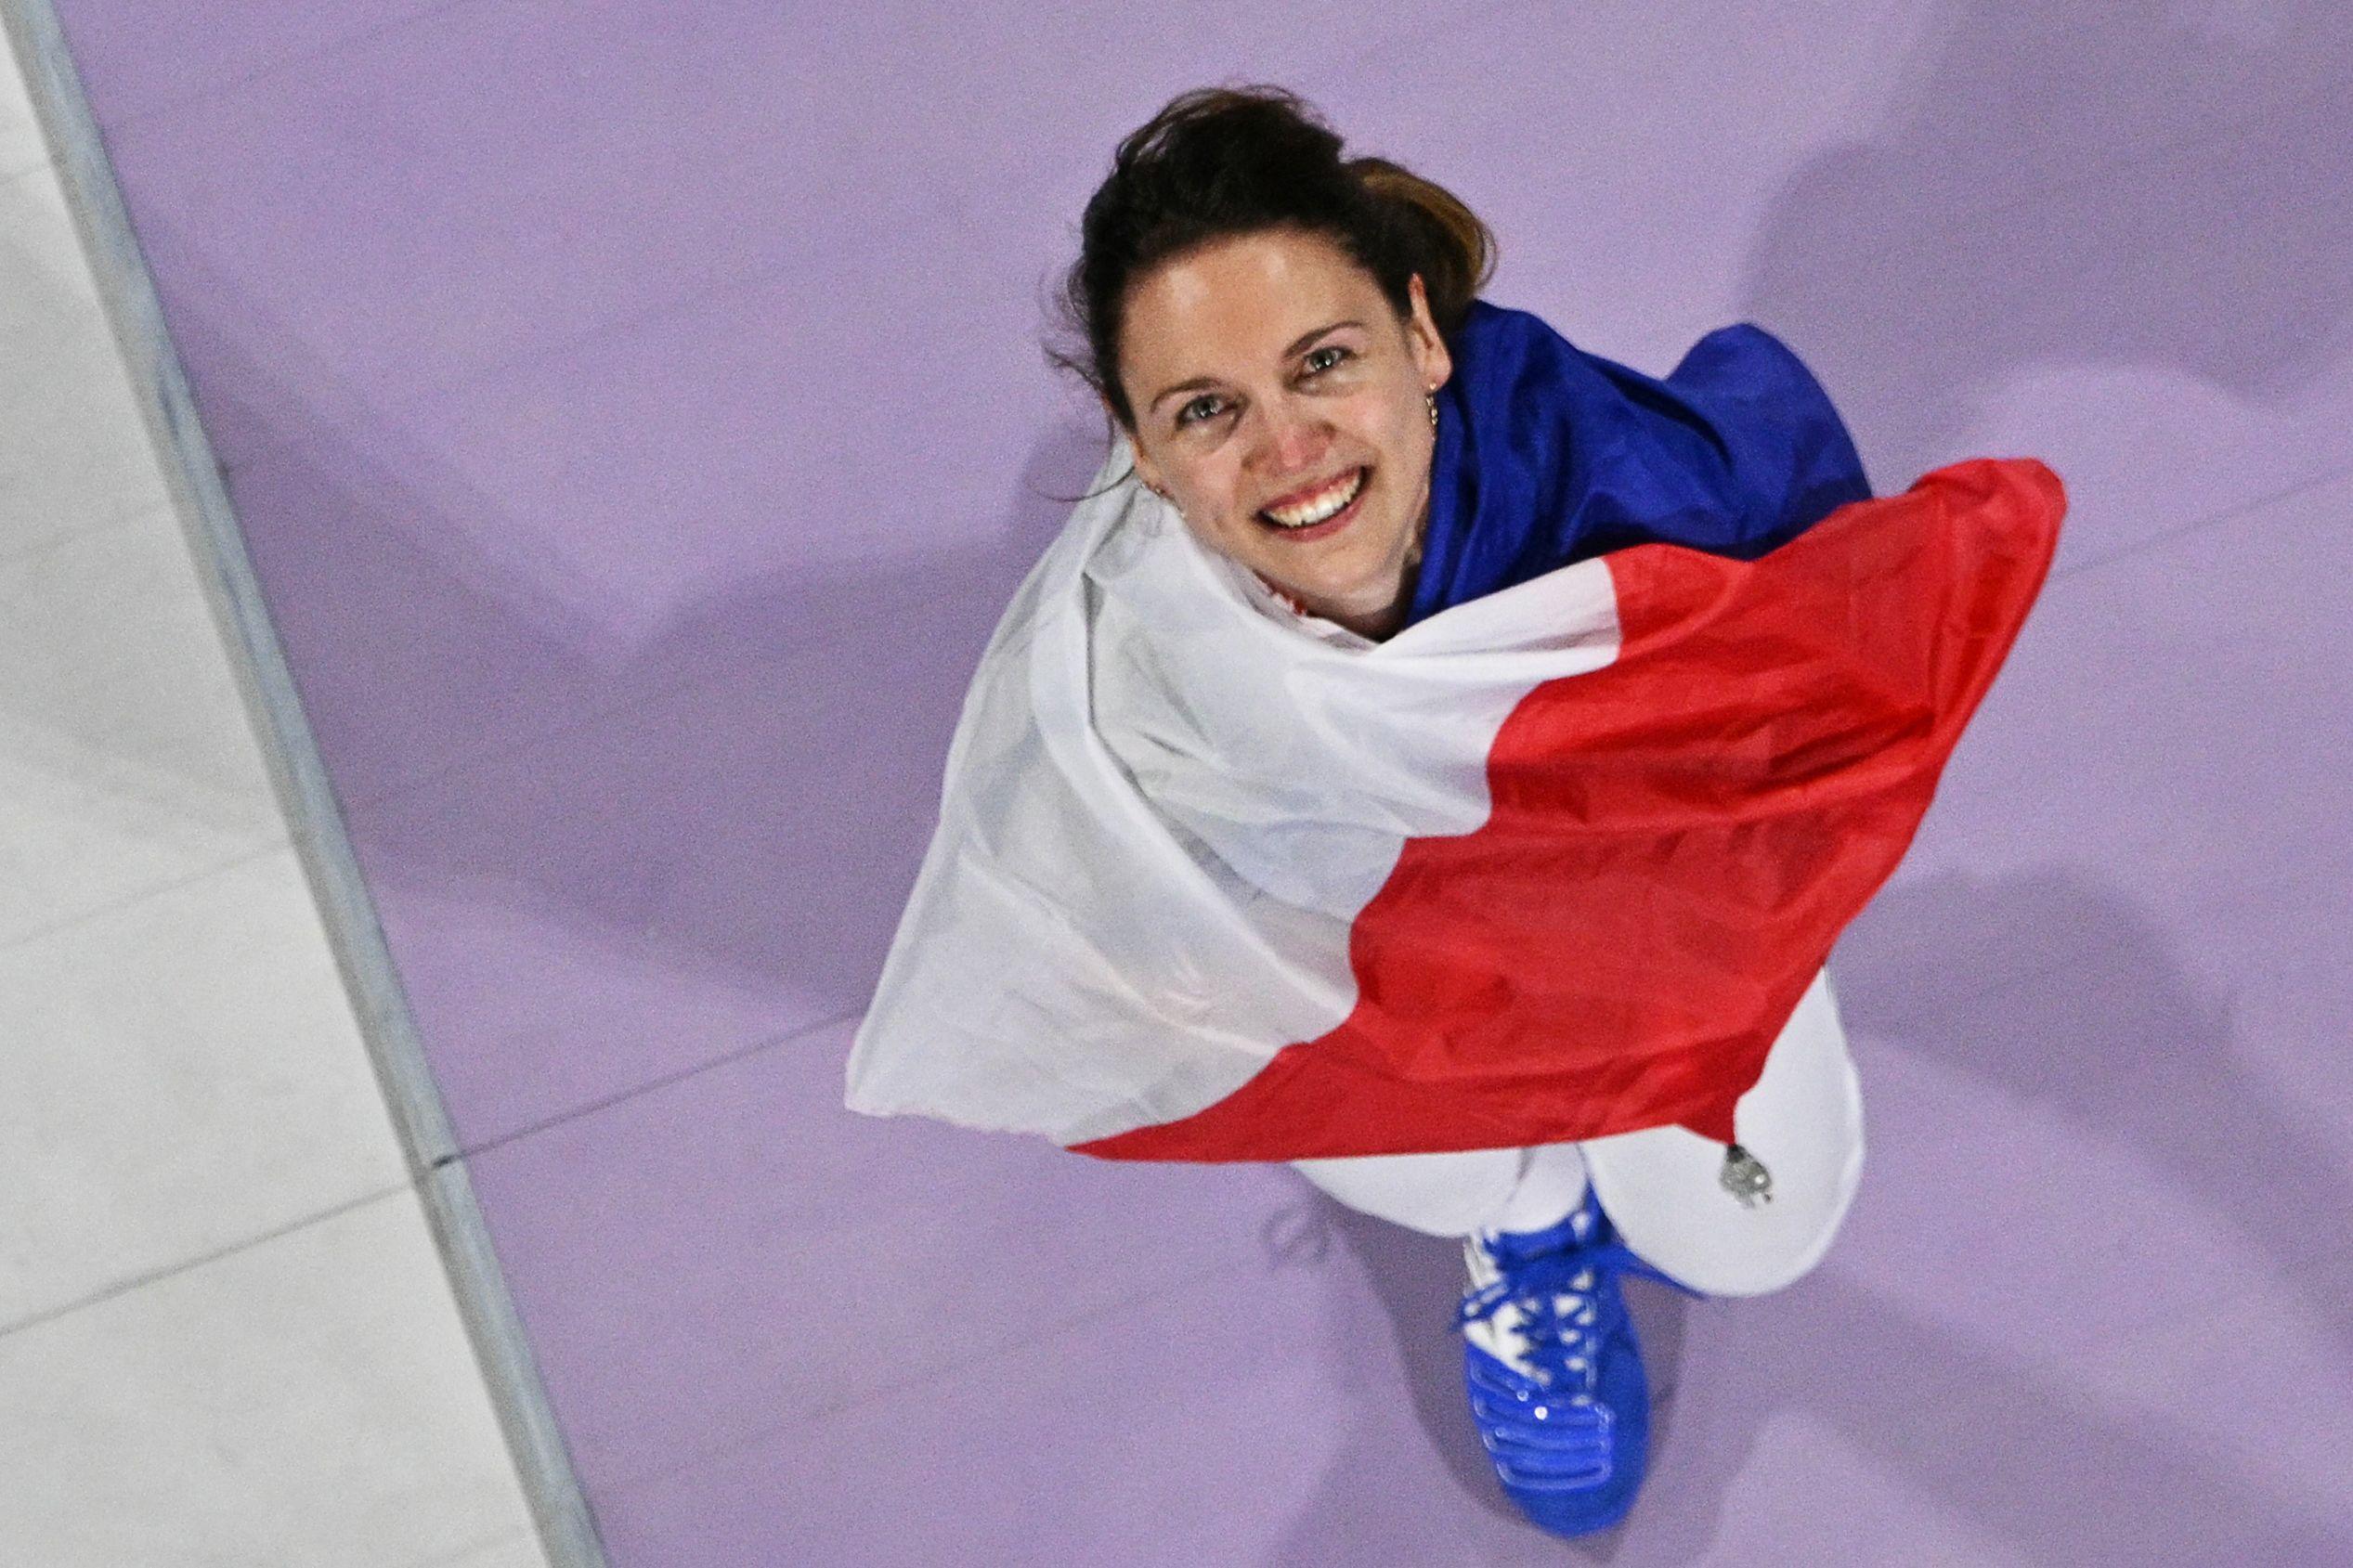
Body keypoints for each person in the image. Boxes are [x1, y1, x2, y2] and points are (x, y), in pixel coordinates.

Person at [845, 83, 2060, 1539]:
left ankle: (1611, 1133)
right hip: (1401, 975)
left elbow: (1828, 698)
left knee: (1754, 1232)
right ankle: (1530, 1229)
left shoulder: (1657, 508)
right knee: (1448, 1167)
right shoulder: (1117, 679)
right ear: (1138, 445)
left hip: (1666, 925)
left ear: (1422, 340)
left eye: (1324, 363)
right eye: (1206, 409)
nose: (1287, 445)